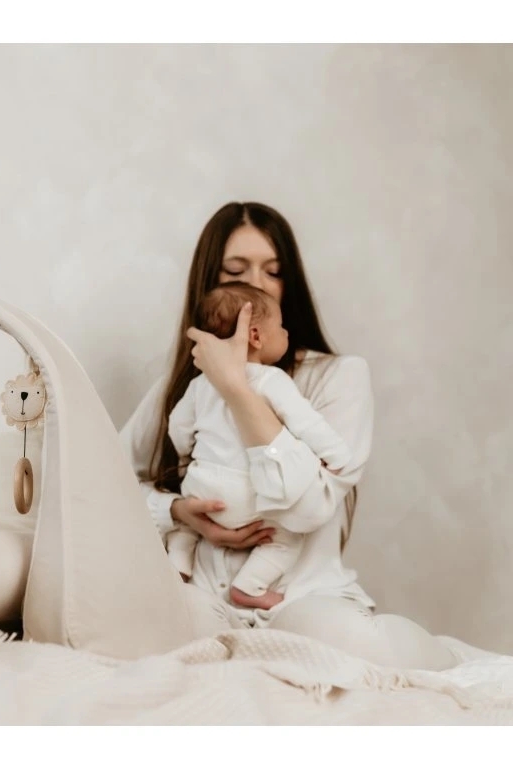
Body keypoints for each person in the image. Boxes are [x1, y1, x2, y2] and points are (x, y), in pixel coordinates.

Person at [119, 201, 458, 671]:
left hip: (301, 598)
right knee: (154, 638)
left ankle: (446, 660)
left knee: (352, 650)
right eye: (236, 271)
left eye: (273, 271)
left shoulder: (339, 377)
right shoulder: (180, 388)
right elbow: (105, 485)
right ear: (210, 287)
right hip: (205, 595)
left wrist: (237, 389)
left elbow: (306, 510)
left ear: (288, 284)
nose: (256, 285)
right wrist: (176, 511)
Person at [167, 281, 352, 611]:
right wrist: (336, 456)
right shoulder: (271, 380)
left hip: (201, 485)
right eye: (280, 326)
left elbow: (178, 426)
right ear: (255, 335)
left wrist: (186, 452)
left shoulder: (199, 384)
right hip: (246, 496)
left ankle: (178, 565)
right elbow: (306, 423)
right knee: (285, 538)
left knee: (186, 523)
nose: (286, 333)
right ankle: (249, 587)